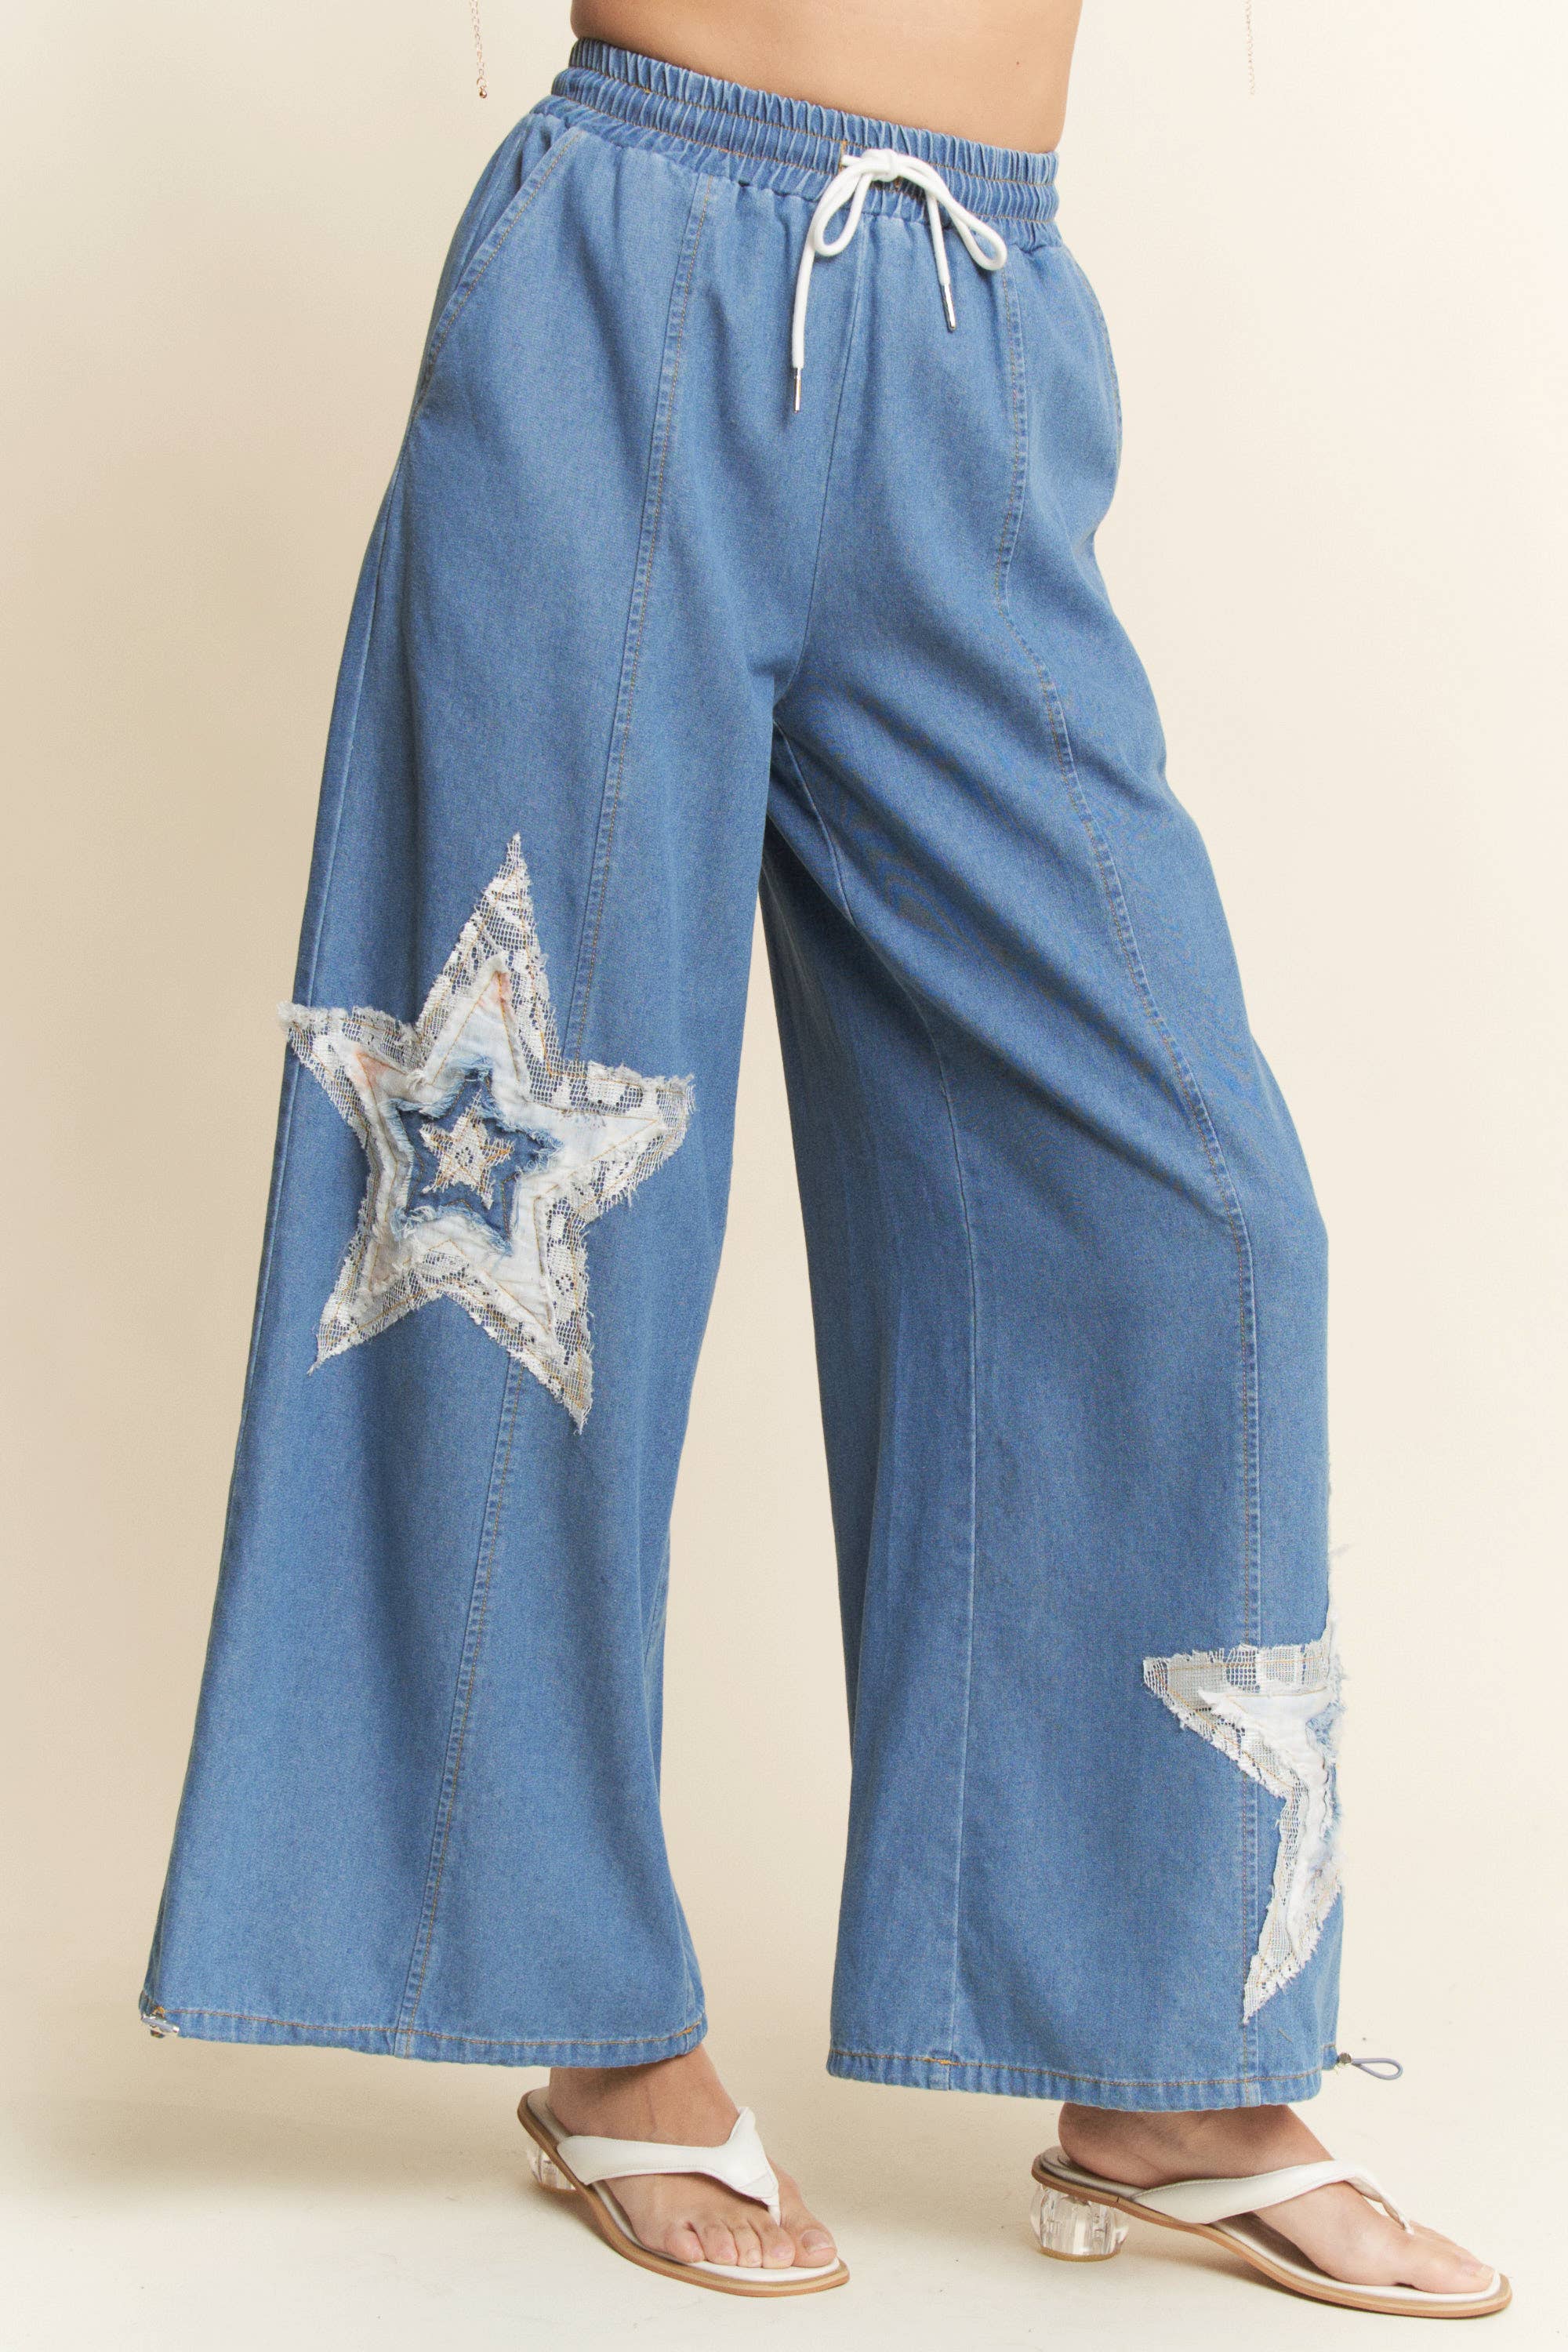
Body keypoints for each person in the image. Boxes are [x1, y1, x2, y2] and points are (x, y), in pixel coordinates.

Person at [141, 0, 1506, 2313]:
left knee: (1198, 1218)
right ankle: (589, 2016)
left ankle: (1162, 2056)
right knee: (526, 1190)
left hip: (983, 329)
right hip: (633, 262)